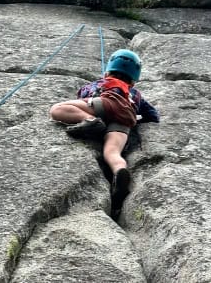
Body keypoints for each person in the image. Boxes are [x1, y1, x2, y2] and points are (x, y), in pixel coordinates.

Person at [49, 49, 159, 216]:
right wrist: (135, 120)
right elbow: (153, 116)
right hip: (126, 116)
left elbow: (82, 95)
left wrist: (91, 109)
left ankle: (90, 121)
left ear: (107, 72)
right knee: (112, 152)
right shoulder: (135, 94)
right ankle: (119, 171)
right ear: (133, 81)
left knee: (57, 109)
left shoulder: (98, 84)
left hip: (103, 103)